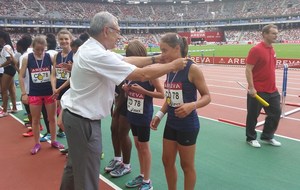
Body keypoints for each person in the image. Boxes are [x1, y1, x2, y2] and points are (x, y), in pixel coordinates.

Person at [59, 11, 187, 190]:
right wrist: (172, 65)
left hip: (76, 118)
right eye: (117, 31)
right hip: (84, 122)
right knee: (87, 174)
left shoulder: (92, 48)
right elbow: (140, 75)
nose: (119, 36)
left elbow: (125, 59)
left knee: (74, 168)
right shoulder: (97, 54)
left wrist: (156, 58)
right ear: (106, 30)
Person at [150, 33, 211, 190]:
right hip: (171, 123)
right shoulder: (171, 68)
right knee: (167, 161)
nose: (162, 55)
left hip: (188, 125)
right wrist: (160, 114)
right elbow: (170, 96)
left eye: (165, 50)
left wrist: (192, 105)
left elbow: (207, 97)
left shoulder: (193, 69)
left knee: (186, 165)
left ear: (177, 48)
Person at [124, 40, 164, 190]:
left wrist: (144, 91)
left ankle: (147, 181)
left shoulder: (150, 73)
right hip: (132, 113)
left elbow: (162, 94)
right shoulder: (130, 71)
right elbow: (130, 94)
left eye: (134, 57)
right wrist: (127, 90)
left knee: (144, 147)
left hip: (144, 116)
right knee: (137, 145)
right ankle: (141, 175)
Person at [19, 36, 64, 155]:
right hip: (34, 93)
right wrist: (24, 93)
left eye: (42, 50)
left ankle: (54, 141)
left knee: (52, 118)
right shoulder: (27, 58)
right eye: (37, 50)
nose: (39, 52)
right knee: (35, 119)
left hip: (49, 92)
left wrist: (56, 89)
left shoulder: (50, 57)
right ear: (32, 48)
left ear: (45, 48)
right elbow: (21, 76)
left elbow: (56, 72)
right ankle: (37, 143)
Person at [245, 24, 282, 148]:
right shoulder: (256, 50)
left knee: (276, 113)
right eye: (273, 33)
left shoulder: (272, 49)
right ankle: (250, 138)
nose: (276, 35)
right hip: (258, 90)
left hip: (272, 90)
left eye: (276, 33)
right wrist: (251, 87)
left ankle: (267, 136)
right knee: (253, 116)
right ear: (265, 34)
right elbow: (248, 69)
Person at [104, 82, 132, 177]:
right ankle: (117, 159)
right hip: (118, 102)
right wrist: (112, 105)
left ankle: (126, 165)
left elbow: (123, 95)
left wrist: (116, 108)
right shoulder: (108, 74)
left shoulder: (118, 74)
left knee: (123, 133)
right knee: (114, 129)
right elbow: (111, 93)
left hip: (127, 103)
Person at [51, 29, 74, 138]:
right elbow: (53, 74)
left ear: (70, 40)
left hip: (69, 89)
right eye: (61, 39)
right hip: (58, 88)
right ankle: (68, 139)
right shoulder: (57, 55)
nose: (63, 41)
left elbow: (73, 77)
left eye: (66, 39)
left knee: (67, 117)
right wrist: (54, 88)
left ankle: (74, 140)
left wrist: (59, 89)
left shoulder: (74, 55)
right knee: (60, 115)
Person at [0, 31, 17, 117]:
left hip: (8, 69)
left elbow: (9, 60)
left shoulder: (6, 46)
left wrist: (0, 65)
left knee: (4, 90)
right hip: (11, 69)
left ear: (3, 38)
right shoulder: (8, 46)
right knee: (11, 89)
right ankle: (14, 108)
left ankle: (5, 110)